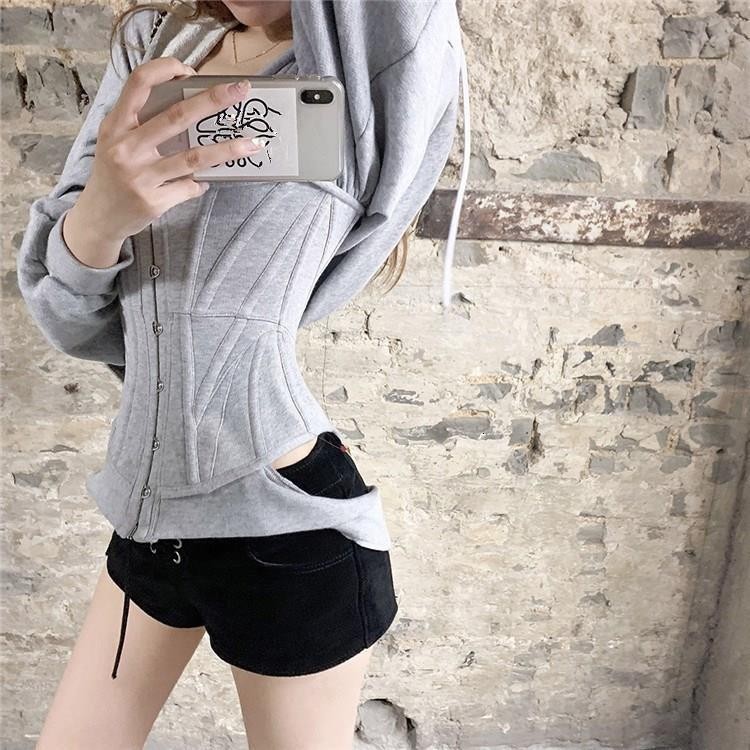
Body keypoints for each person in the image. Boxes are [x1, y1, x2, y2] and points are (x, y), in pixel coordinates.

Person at [16, 1, 468, 747]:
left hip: (286, 525)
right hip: (147, 520)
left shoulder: (364, 61)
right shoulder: (158, 45)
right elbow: (74, 322)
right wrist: (99, 218)